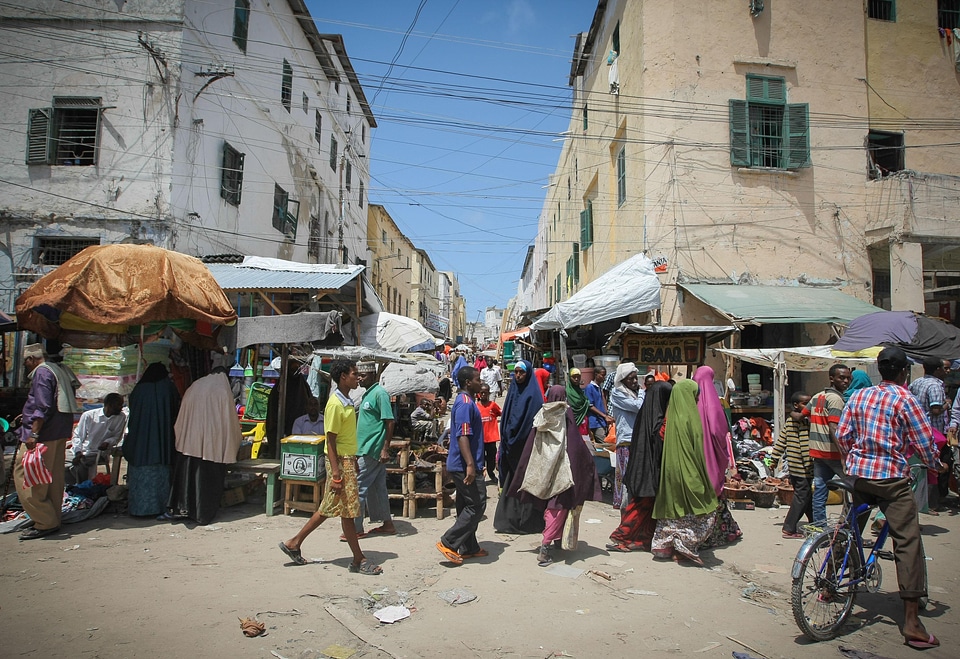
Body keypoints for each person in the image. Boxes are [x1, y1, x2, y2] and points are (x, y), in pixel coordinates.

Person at [836, 346, 943, 650]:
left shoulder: (859, 396)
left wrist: (853, 459)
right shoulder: (905, 399)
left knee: (848, 528)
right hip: (892, 480)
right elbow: (924, 443)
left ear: (880, 369)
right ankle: (911, 622)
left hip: (859, 476)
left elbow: (843, 435)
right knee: (907, 542)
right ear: (903, 372)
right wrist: (936, 464)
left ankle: (830, 584)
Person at [279, 360, 382, 575]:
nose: (358, 377)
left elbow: (344, 437)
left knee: (333, 509)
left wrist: (352, 460)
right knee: (347, 511)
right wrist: (336, 472)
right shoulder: (335, 404)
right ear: (343, 377)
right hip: (339, 462)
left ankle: (294, 542)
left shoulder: (345, 401)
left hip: (347, 460)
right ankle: (358, 559)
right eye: (354, 374)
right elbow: (331, 440)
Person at [507, 385, 601, 566]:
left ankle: (556, 542)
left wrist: (525, 469)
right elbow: (575, 446)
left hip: (544, 471)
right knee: (558, 507)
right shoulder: (566, 414)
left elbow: (531, 446)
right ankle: (545, 548)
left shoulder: (541, 416)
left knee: (551, 507)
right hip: (562, 472)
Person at [651, 379, 718, 566]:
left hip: (670, 471)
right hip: (688, 470)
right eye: (695, 397)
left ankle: (669, 546)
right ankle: (684, 547)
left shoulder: (670, 417)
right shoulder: (689, 418)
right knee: (704, 506)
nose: (696, 401)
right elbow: (695, 452)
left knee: (674, 508)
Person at [15, 343, 79, 540]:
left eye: (26, 362)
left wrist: (34, 433)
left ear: (31, 359)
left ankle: (45, 521)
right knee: (53, 478)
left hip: (44, 434)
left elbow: (42, 405)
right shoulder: (59, 369)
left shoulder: (42, 372)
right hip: (59, 431)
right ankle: (52, 518)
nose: (26, 366)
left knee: (28, 476)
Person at [165, 369, 242, 525]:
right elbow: (229, 421)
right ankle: (202, 514)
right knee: (206, 482)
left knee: (188, 479)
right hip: (211, 445)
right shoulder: (222, 390)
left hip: (189, 442)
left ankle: (184, 509)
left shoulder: (195, 386)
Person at [609, 381, 672, 552]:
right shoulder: (658, 421)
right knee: (640, 506)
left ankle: (643, 540)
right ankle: (620, 537)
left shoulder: (646, 416)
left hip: (642, 470)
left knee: (648, 507)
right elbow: (661, 438)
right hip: (647, 472)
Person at [436, 366, 487, 564]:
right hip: (462, 464)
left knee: (466, 504)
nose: (480, 383)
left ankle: (469, 546)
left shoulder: (466, 401)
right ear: (468, 382)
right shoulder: (465, 403)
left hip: (461, 462)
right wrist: (470, 465)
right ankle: (449, 542)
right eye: (477, 379)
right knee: (477, 504)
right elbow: (463, 435)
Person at [692, 365, 742, 549]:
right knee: (714, 491)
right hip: (711, 454)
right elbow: (718, 430)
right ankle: (718, 532)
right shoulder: (713, 401)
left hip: (695, 455)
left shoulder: (689, 400)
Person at [494, 360, 545, 534]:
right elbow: (507, 418)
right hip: (511, 447)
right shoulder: (512, 392)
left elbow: (534, 423)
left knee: (527, 482)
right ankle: (510, 520)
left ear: (528, 373)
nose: (518, 376)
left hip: (528, 448)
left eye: (521, 373)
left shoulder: (534, 395)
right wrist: (508, 439)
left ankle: (529, 522)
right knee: (512, 482)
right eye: (516, 372)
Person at [123, 363, 179, 517]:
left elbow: (133, 411)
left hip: (139, 442)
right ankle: (161, 507)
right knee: (161, 475)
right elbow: (176, 409)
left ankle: (138, 509)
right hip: (162, 441)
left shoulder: (139, 390)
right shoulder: (168, 388)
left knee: (140, 476)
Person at [803, 363, 852, 528]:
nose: (846, 381)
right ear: (832, 379)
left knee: (820, 491)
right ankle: (847, 526)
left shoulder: (817, 396)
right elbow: (834, 427)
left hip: (817, 452)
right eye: (842, 378)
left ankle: (819, 527)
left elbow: (803, 415)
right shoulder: (836, 399)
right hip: (832, 453)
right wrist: (844, 455)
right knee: (853, 490)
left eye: (848, 378)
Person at [352, 361, 396, 537]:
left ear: (372, 375)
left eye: (363, 376)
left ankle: (355, 528)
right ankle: (387, 523)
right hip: (365, 448)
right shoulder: (367, 395)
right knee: (378, 488)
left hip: (372, 449)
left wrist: (385, 448)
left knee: (358, 486)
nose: (360, 379)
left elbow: (390, 421)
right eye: (358, 376)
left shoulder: (380, 394)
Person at [908, 357, 948, 514]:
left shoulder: (917, 382)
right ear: (937, 369)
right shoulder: (935, 386)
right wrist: (948, 404)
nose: (947, 371)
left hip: (915, 432)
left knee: (920, 470)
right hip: (932, 433)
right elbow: (936, 410)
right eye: (944, 369)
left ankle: (923, 504)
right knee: (932, 469)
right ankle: (931, 504)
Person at [771, 392, 813, 539]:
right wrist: (774, 459)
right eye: (805, 403)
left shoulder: (793, 420)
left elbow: (781, 440)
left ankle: (815, 523)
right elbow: (799, 445)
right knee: (802, 496)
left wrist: (774, 459)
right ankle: (789, 527)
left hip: (796, 468)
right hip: (802, 468)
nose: (809, 405)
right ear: (796, 405)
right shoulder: (802, 422)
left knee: (806, 496)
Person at [608, 363, 644, 511]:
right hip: (626, 440)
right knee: (624, 476)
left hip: (636, 439)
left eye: (636, 378)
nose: (635, 381)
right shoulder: (618, 393)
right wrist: (642, 393)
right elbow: (637, 406)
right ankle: (624, 506)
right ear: (623, 380)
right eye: (631, 379)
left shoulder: (634, 393)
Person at [69, 393, 126, 485]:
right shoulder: (88, 415)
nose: (121, 407)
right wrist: (78, 452)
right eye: (118, 405)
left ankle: (82, 487)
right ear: (109, 405)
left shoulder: (121, 417)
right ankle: (72, 487)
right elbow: (78, 436)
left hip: (98, 452)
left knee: (81, 464)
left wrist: (107, 442)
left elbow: (116, 437)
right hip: (81, 449)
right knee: (63, 463)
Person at [476, 383, 502, 482]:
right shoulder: (476, 407)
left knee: (491, 457)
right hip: (480, 439)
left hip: (491, 438)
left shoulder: (493, 405)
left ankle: (491, 473)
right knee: (481, 458)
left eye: (485, 393)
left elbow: (500, 413)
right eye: (481, 393)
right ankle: (481, 476)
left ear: (488, 393)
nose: (483, 395)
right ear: (478, 394)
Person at [585, 367, 614, 443]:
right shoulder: (589, 388)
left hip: (602, 420)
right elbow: (590, 406)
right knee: (604, 443)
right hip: (595, 422)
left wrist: (606, 414)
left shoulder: (599, 388)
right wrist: (604, 416)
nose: (604, 377)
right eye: (602, 375)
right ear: (596, 375)